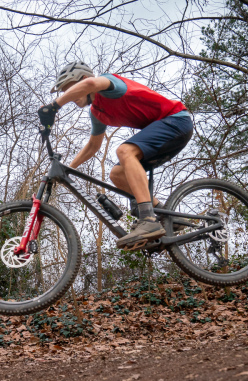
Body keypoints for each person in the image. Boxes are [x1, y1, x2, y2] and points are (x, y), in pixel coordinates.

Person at [38, 61, 193, 251]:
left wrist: (53, 106)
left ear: (84, 80)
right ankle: (168, 216)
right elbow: (93, 146)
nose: (68, 96)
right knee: (117, 174)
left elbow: (92, 85)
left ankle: (148, 218)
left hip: (176, 120)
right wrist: (68, 169)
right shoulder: (97, 113)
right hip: (166, 134)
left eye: (69, 89)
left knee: (124, 151)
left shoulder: (109, 84)